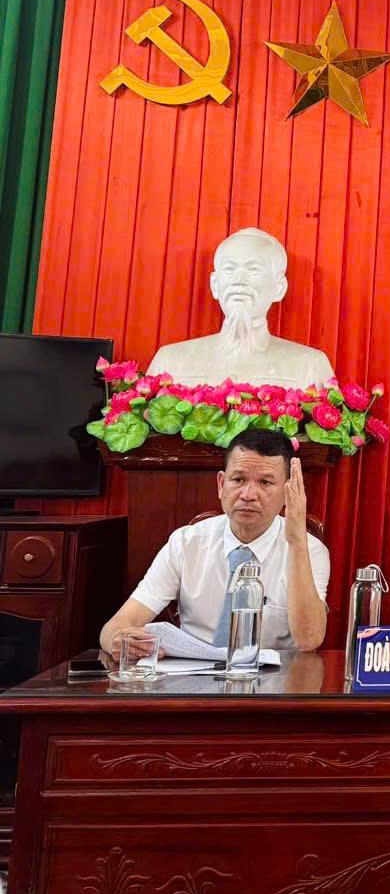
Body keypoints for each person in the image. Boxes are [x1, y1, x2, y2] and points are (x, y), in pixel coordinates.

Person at [99, 429, 330, 660]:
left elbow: (309, 640)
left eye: (265, 482)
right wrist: (118, 640)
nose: (248, 494)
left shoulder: (309, 550)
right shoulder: (186, 543)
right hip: (191, 673)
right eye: (238, 480)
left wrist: (296, 542)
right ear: (221, 484)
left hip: (272, 677)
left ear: (289, 492)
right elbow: (117, 626)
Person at [147, 227, 335, 389]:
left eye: (254, 270)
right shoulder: (170, 361)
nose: (239, 280)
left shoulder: (310, 366)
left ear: (279, 288)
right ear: (215, 285)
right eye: (229, 269)